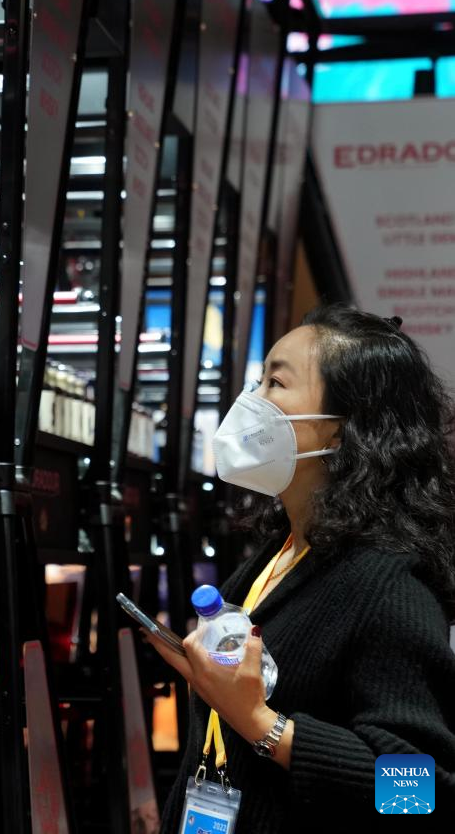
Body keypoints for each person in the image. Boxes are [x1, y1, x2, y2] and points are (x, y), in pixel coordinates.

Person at [148, 305, 455, 831]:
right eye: (258, 381)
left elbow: (424, 792)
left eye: (276, 383)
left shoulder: (391, 585)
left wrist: (261, 723)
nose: (251, 400)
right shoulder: (279, 554)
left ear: (338, 432)